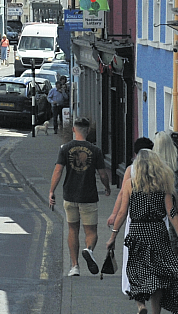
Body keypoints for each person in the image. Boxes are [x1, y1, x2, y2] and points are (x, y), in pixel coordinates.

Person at [106, 149, 178, 314]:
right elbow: (172, 212)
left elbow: (122, 212)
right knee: (158, 276)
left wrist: (113, 235)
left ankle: (141, 306)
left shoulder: (130, 184)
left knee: (136, 271)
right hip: (158, 232)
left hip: (137, 231)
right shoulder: (163, 184)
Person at [49, 117, 111, 277]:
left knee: (72, 229)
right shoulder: (95, 150)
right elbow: (103, 174)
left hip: (69, 196)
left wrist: (51, 191)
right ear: (88, 131)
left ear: (73, 130)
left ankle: (74, 266)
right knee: (91, 231)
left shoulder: (65, 148)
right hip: (88, 196)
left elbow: (58, 171)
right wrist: (107, 187)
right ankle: (89, 250)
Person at [108, 137, 155, 297]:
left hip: (134, 223)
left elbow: (123, 196)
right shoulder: (160, 171)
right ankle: (153, 288)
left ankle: (137, 296)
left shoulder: (131, 170)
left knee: (133, 259)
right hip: (157, 224)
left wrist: (114, 216)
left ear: (135, 153)